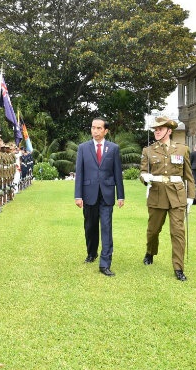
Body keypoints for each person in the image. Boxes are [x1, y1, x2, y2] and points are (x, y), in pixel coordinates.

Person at [140, 116, 195, 281]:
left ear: (169, 131)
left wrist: (190, 196)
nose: (157, 132)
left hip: (177, 196)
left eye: (160, 129)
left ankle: (178, 268)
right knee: (153, 230)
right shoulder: (148, 151)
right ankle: (150, 252)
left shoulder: (182, 149)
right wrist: (146, 177)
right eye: (155, 130)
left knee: (178, 232)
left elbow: (188, 176)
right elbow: (142, 172)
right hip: (157, 194)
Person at [74, 117, 124, 277]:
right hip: (89, 194)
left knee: (106, 228)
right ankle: (92, 252)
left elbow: (117, 173)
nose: (95, 131)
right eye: (93, 128)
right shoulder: (83, 148)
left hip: (107, 195)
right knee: (90, 227)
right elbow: (79, 173)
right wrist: (78, 195)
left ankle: (105, 264)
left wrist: (120, 196)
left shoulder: (114, 149)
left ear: (106, 131)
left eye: (99, 128)